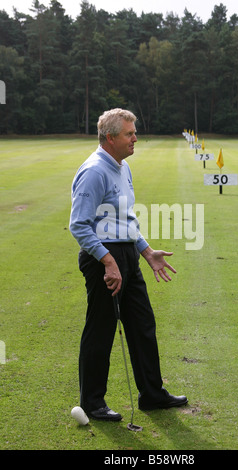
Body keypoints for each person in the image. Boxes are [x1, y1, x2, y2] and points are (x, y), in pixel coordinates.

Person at [69, 108, 188, 421]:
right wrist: (108, 261)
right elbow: (79, 225)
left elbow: (125, 221)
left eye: (134, 132)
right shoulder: (94, 171)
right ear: (110, 138)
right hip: (102, 259)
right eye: (129, 134)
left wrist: (146, 252)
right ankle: (92, 403)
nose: (136, 138)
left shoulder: (122, 168)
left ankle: (152, 394)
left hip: (127, 256)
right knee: (102, 329)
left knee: (142, 325)